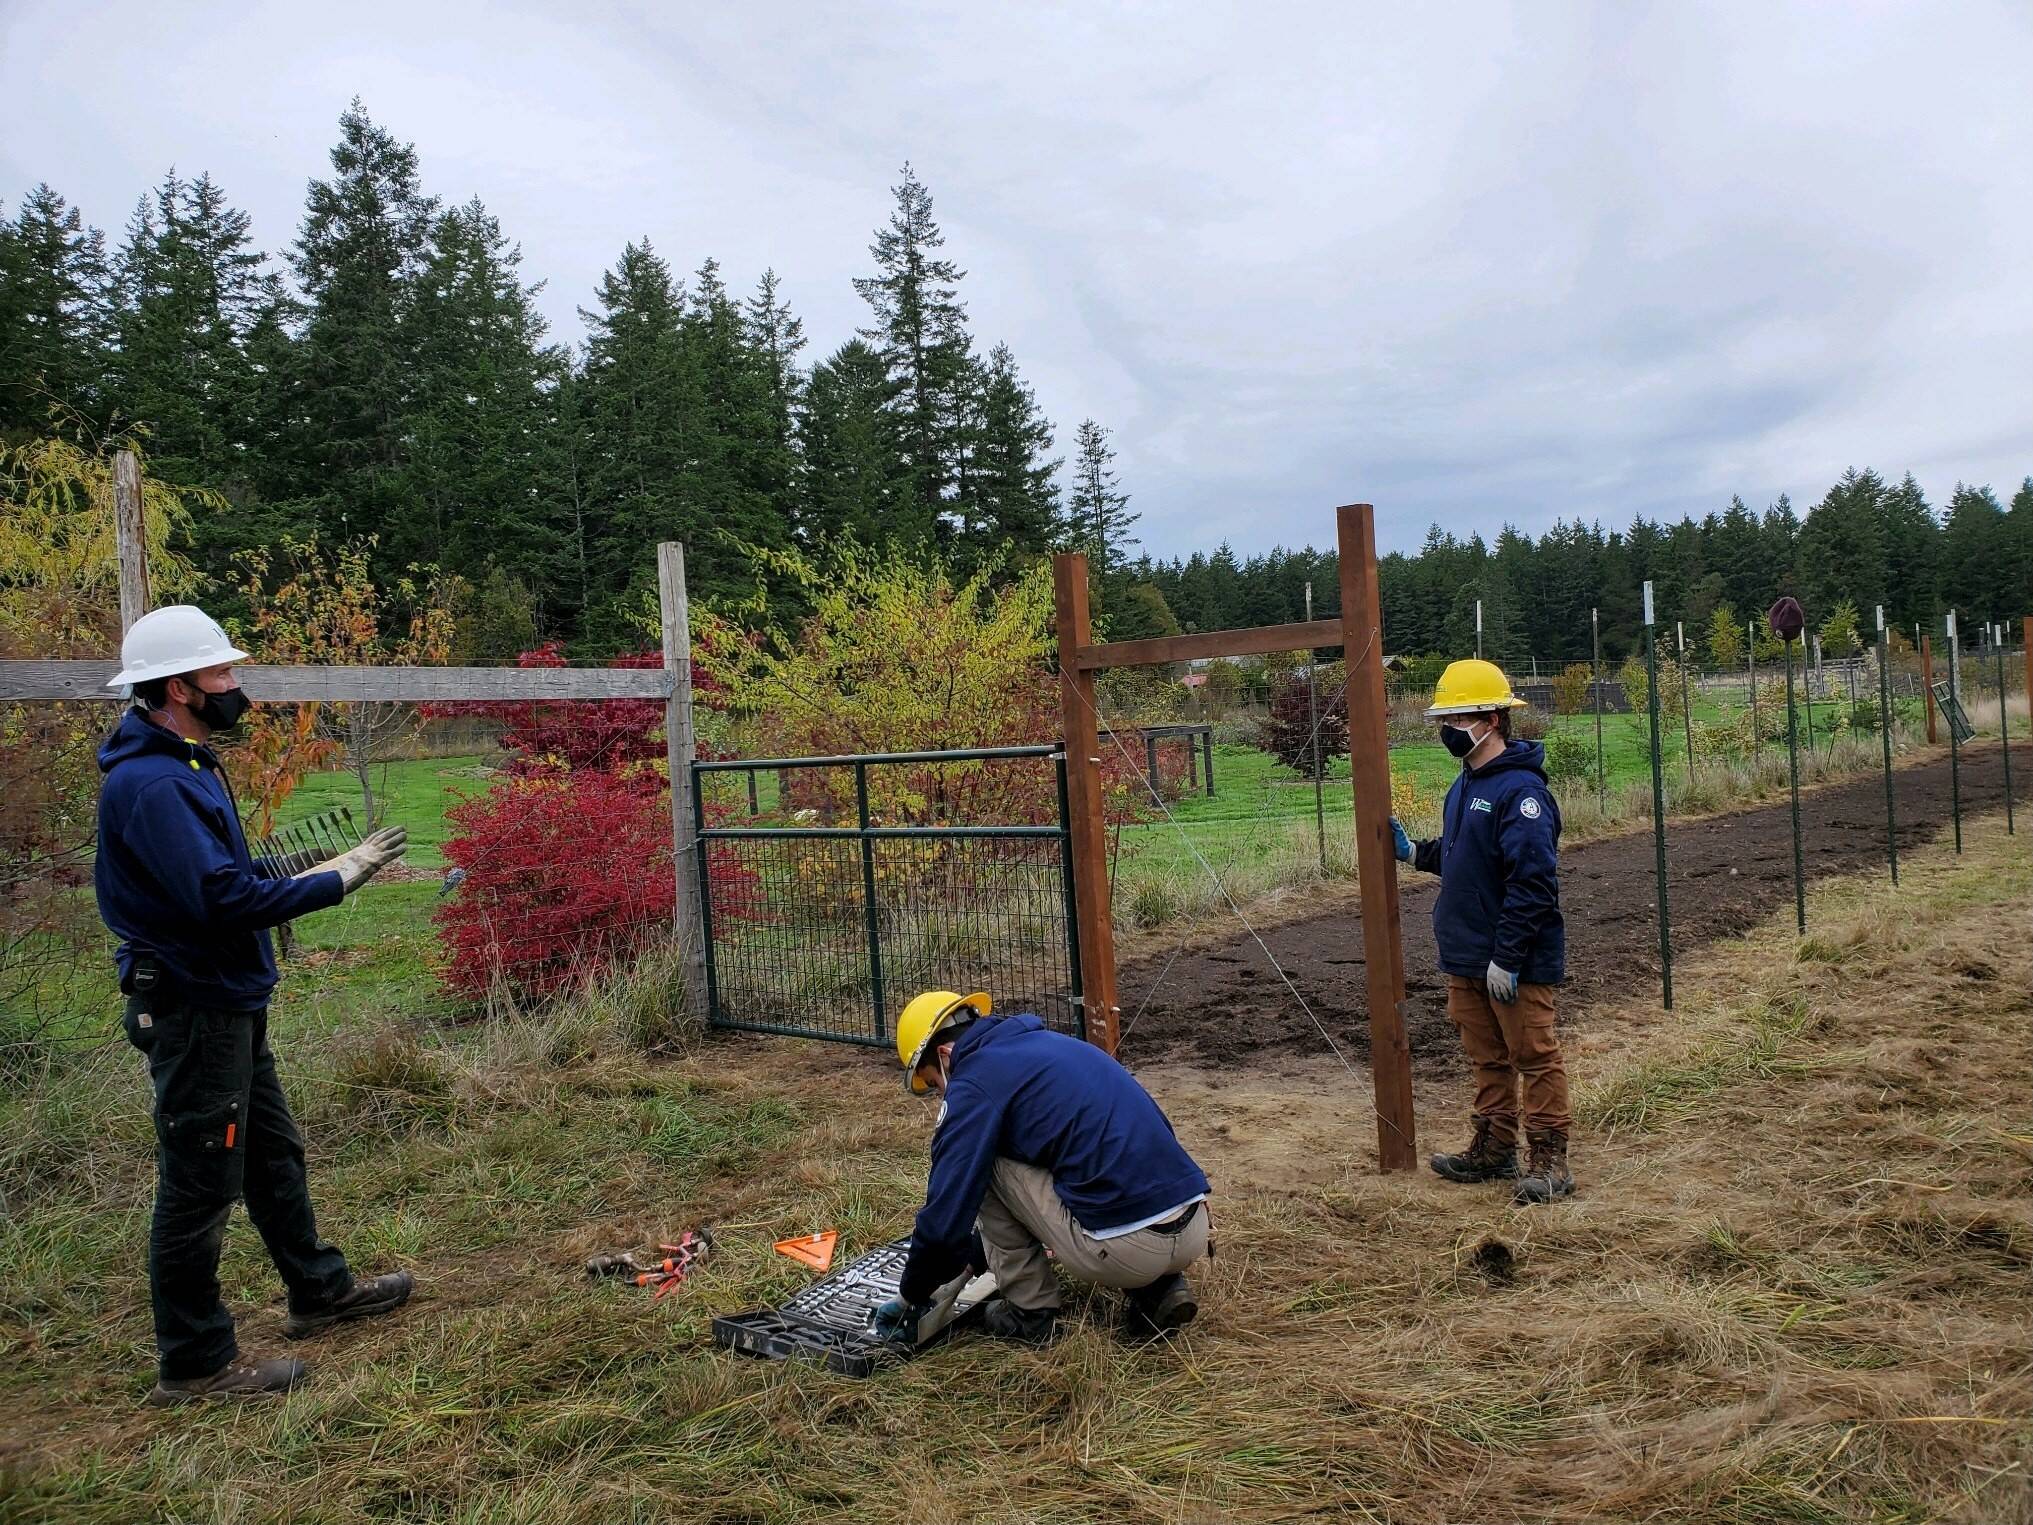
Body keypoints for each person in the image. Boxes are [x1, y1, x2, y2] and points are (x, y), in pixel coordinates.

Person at [95, 605, 416, 1405]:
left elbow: (223, 880)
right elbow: (220, 899)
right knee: (201, 1182)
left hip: (230, 996)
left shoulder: (191, 762)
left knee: (272, 1153)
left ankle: (319, 1290)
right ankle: (197, 1360)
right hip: (195, 1006)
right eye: (221, 674)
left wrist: (320, 868)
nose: (236, 687)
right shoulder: (155, 782)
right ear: (178, 687)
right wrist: (336, 880)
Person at [871, 990, 1211, 1345]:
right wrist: (977, 1254)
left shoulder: (973, 1082)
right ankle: (1159, 1287)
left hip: (1127, 1249)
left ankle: (1029, 1313)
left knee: (986, 1162)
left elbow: (946, 1217)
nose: (941, 1093)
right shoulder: (1053, 1047)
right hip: (1192, 1226)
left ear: (944, 1055)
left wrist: (911, 1294)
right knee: (1080, 1162)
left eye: (933, 1082)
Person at [1390, 659, 1574, 1204]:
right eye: (1443, 717)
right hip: (1467, 956)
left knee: (1534, 1055)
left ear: (1492, 719)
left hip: (1512, 960)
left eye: (1457, 717)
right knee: (1487, 1058)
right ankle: (1495, 1148)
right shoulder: (1465, 784)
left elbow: (1533, 883)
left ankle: (1550, 1158)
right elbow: (1466, 861)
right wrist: (1415, 853)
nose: (1446, 728)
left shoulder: (1522, 794)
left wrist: (1509, 957)